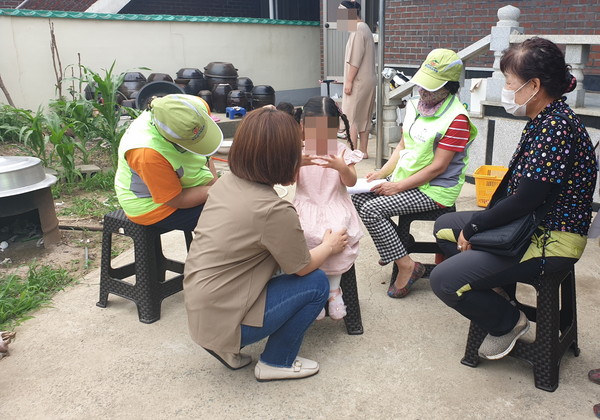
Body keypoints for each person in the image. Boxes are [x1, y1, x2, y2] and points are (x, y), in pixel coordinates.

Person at [430, 37, 597, 361]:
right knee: (444, 226)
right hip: (530, 223)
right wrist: (476, 228)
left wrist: (477, 225)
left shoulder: (556, 128)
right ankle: (490, 289)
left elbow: (525, 200)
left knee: (443, 281)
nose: (505, 89)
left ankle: (507, 322)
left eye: (509, 82)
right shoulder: (547, 118)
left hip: (550, 237)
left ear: (533, 85)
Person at [183, 106, 349, 382]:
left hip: (202, 307)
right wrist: (330, 245)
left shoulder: (227, 183)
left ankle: (224, 344)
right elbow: (302, 267)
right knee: (316, 283)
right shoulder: (274, 210)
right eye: (296, 150)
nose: (300, 154)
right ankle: (277, 361)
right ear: (283, 160)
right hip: (227, 319)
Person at [351, 48, 477, 298]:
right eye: (422, 85)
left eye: (431, 88)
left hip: (436, 189)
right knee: (359, 197)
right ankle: (398, 251)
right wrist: (382, 173)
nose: (423, 91)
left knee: (372, 209)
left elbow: (438, 167)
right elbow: (403, 145)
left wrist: (397, 187)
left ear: (450, 87)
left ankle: (406, 265)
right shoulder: (415, 105)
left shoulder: (457, 119)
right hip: (407, 179)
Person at [294, 96, 364, 320]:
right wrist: (296, 164)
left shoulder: (341, 150)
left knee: (336, 232)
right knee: (303, 233)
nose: (321, 138)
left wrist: (342, 167)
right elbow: (285, 181)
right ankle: (314, 291)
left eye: (327, 132)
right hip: (307, 206)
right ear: (303, 126)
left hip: (334, 204)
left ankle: (333, 291)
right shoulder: (298, 150)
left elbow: (351, 182)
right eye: (315, 131)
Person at [114, 93, 223, 232]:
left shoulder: (194, 107)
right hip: (155, 205)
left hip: (187, 186)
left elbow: (206, 155)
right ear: (169, 139)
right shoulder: (146, 152)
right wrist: (215, 191)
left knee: (236, 206)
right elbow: (176, 199)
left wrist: (215, 186)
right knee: (226, 219)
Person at [339, 0, 376, 158]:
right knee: (364, 115)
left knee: (351, 115)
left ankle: (352, 151)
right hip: (368, 79)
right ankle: (363, 151)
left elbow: (355, 59)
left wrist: (348, 81)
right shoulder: (365, 27)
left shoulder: (357, 29)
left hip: (358, 80)